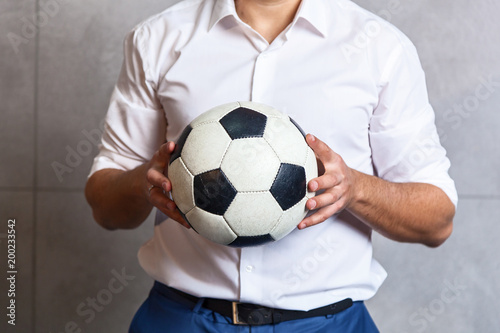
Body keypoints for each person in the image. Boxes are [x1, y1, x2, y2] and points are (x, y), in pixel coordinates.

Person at [85, 0, 457, 332]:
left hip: (328, 323)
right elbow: (104, 207)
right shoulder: (157, 39)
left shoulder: (379, 47)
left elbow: (437, 222)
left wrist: (354, 189)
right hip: (180, 318)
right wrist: (144, 182)